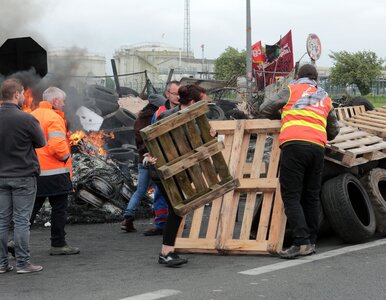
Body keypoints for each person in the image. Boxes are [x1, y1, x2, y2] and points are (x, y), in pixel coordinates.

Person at [259, 64, 340, 259]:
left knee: (291, 196)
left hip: (294, 145)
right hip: (317, 149)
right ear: (316, 79)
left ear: (297, 76)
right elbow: (334, 131)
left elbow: (264, 109)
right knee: (311, 196)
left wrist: (284, 115)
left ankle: (301, 242)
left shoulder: (291, 90)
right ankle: (311, 242)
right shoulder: (325, 97)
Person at [146, 84, 215, 267]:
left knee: (177, 209)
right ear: (192, 102)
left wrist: (212, 135)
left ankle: (167, 252)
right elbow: (152, 141)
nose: (205, 104)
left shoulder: (193, 118)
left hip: (175, 171)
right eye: (202, 101)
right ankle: (166, 253)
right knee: (177, 209)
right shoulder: (174, 118)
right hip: (166, 171)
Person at [0, 78, 46, 274]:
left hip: (1, 177)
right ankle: (23, 264)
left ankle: (1, 264)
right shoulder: (26, 119)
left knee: (2, 220)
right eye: (22, 94)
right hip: (24, 176)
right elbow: (41, 142)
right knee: (21, 221)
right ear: (17, 94)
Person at [30, 87, 80, 255]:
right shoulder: (54, 117)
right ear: (56, 101)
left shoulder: (31, 115)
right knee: (59, 208)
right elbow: (57, 145)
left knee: (31, 208)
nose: (64, 104)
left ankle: (16, 240)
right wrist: (66, 157)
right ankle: (58, 244)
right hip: (55, 173)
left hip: (35, 171)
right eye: (63, 101)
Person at [120, 94, 167, 232]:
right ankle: (168, 220)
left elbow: (138, 141)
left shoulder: (139, 119)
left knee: (140, 191)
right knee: (163, 191)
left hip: (142, 160)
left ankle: (128, 216)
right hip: (155, 158)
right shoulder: (158, 118)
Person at [143, 81, 181, 236]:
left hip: (177, 157)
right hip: (162, 158)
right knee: (160, 192)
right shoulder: (160, 113)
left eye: (180, 93)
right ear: (167, 94)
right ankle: (160, 223)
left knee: (177, 192)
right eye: (174, 93)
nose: (178, 97)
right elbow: (151, 135)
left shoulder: (184, 110)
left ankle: (176, 221)